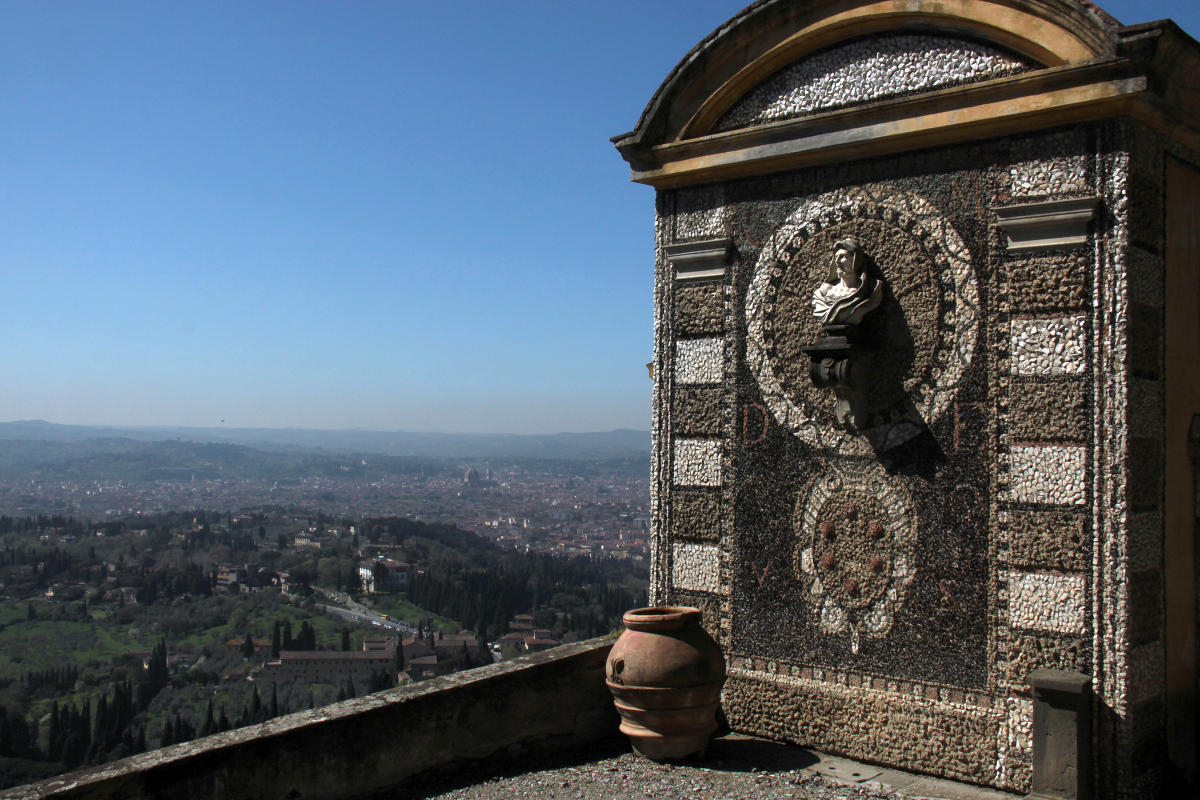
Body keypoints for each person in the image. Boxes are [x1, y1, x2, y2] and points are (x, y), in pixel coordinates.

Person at [810, 236, 883, 327]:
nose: (837, 261)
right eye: (836, 257)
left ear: (856, 260)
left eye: (843, 256)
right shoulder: (822, 293)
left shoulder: (872, 291)